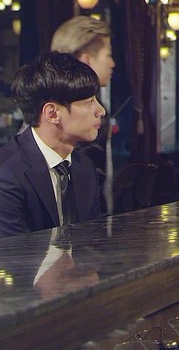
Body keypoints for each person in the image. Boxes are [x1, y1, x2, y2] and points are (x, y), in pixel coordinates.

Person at [0, 52, 106, 243]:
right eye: (88, 102)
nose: (101, 111)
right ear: (52, 113)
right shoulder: (0, 177)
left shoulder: (83, 167)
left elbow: (95, 244)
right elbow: (11, 256)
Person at [50, 16, 116, 212]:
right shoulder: (78, 114)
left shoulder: (94, 109)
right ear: (87, 60)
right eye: (108, 55)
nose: (112, 63)